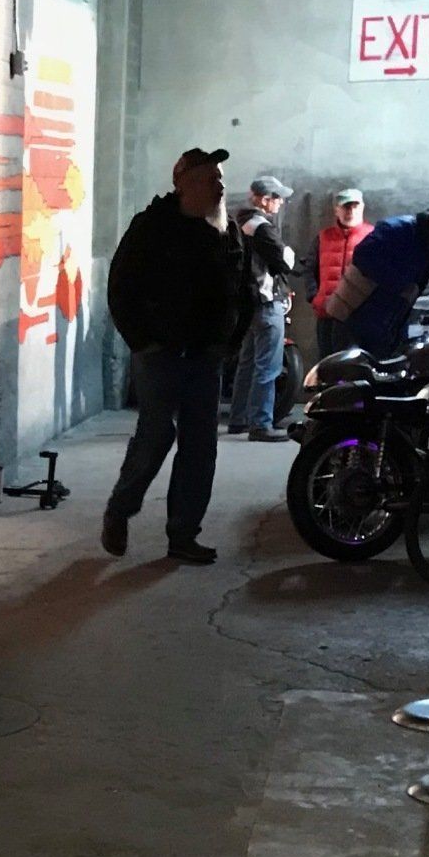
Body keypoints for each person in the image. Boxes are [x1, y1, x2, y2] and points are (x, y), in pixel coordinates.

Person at [102, 146, 253, 564]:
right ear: (184, 184)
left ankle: (183, 535)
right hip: (160, 354)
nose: (220, 186)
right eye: (210, 179)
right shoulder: (152, 227)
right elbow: (120, 288)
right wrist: (142, 342)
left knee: (200, 446)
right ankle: (120, 509)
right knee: (156, 436)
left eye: (220, 179)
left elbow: (244, 292)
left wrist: (230, 342)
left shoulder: (228, 232)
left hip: (206, 357)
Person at [324, 194, 429, 358]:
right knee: (350, 372)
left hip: (380, 331)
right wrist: (401, 285)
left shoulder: (428, 248)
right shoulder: (399, 230)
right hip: (352, 324)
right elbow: (364, 256)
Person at [227, 176, 295, 442]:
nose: (281, 203)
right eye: (277, 198)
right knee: (268, 366)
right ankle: (260, 423)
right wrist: (288, 252)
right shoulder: (262, 227)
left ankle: (238, 419)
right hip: (266, 302)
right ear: (265, 200)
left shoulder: (238, 223)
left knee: (246, 363)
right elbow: (284, 262)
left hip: (247, 305)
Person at [311, 187, 373, 358]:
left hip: (358, 315)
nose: (350, 211)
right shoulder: (323, 237)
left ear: (362, 207)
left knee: (354, 362)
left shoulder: (372, 237)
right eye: (346, 207)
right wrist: (314, 297)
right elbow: (310, 268)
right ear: (336, 210)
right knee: (326, 361)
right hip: (327, 313)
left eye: (355, 206)